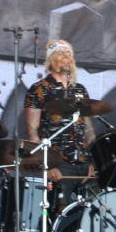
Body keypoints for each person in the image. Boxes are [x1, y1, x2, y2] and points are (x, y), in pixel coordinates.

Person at [24, 39, 96, 204]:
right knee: (59, 209)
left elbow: (88, 130)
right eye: (61, 53)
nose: (66, 57)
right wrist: (47, 165)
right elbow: (32, 132)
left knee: (86, 213)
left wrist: (92, 162)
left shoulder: (80, 90)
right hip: (58, 162)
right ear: (51, 59)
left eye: (69, 53)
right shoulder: (39, 89)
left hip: (83, 163)